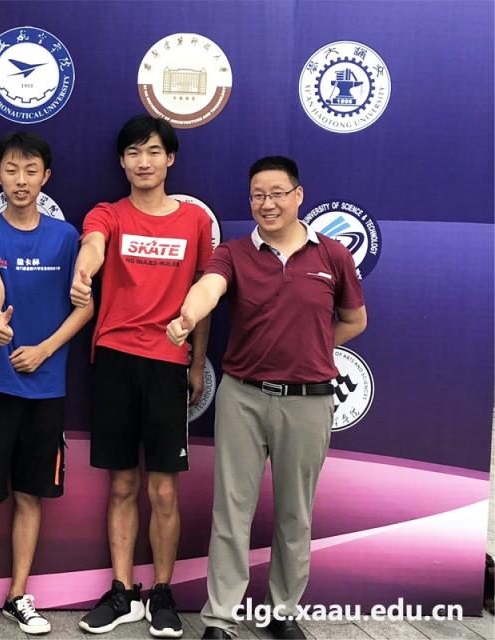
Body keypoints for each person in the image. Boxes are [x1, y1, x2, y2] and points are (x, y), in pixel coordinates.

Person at [166, 156, 367, 639]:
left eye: (278, 193)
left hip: (309, 401)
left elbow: (355, 320)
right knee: (231, 511)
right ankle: (220, 617)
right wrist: (187, 316)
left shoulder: (332, 255)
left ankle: (282, 612)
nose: (267, 203)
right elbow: (209, 288)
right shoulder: (234, 253)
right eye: (258, 195)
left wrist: (311, 347)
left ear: (299, 196)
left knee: (296, 513)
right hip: (243, 397)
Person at [0, 132, 94, 639]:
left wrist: (44, 349)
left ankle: (18, 595)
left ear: (45, 177)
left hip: (46, 389)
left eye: (31, 170)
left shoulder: (67, 237)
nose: (21, 180)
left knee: (30, 495)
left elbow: (86, 307)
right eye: (11, 170)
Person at [72, 115, 213, 638]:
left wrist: (196, 363)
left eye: (153, 151)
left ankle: (163, 593)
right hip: (114, 357)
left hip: (167, 363)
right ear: (122, 161)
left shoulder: (194, 221)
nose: (144, 161)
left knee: (164, 491)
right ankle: (122, 590)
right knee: (122, 484)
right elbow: (93, 245)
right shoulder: (108, 213)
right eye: (133, 152)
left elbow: (204, 295)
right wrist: (85, 270)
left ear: (170, 158)